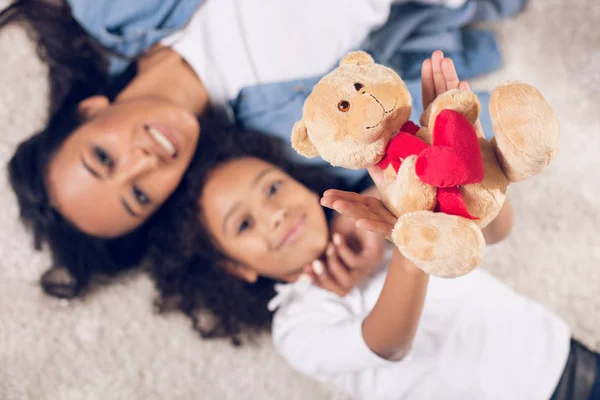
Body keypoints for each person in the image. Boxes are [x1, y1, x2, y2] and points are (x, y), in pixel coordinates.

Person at [146, 57, 600, 399]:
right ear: (235, 267)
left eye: (273, 189)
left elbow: (495, 233)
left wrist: (466, 159)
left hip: (552, 351)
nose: (276, 213)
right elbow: (387, 346)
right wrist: (409, 237)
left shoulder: (385, 196)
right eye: (244, 224)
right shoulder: (296, 321)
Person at [0, 0, 522, 297]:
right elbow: (440, 145)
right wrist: (368, 228)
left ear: (90, 110)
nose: (144, 162)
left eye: (104, 158)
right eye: (140, 195)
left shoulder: (110, 11)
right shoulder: (289, 143)